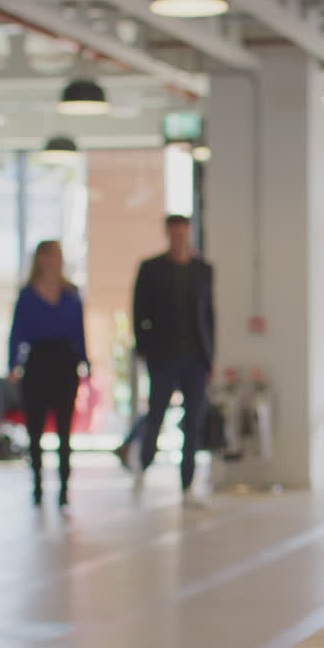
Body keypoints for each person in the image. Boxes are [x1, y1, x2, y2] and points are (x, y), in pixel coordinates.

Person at [132, 214, 215, 507]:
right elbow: (139, 310)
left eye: (184, 232)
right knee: (156, 414)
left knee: (193, 421)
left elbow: (208, 315)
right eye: (174, 232)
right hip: (163, 356)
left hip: (195, 357)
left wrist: (211, 357)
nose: (179, 237)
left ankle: (188, 481)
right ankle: (144, 465)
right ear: (168, 233)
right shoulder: (152, 269)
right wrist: (143, 348)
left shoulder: (203, 270)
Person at [8, 240, 87, 507]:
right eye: (50, 255)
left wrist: (85, 361)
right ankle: (38, 485)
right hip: (37, 362)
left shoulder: (71, 293)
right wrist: (12, 365)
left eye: (58, 256)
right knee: (36, 430)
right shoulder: (28, 295)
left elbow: (79, 331)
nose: (55, 260)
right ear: (41, 259)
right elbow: (16, 332)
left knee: (65, 429)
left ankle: (65, 486)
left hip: (65, 362)